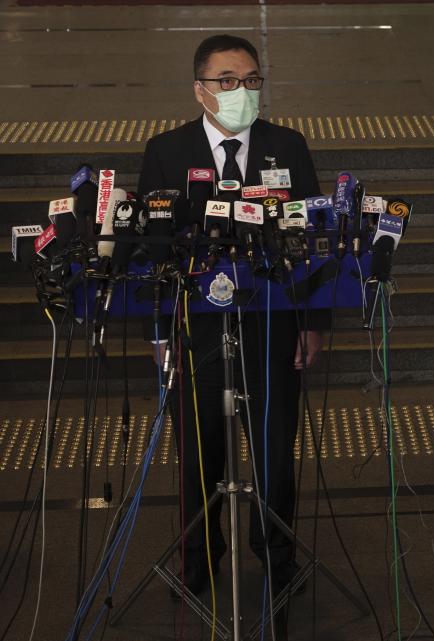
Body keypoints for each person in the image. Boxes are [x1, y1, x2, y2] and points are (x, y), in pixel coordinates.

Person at [137, 34, 325, 596]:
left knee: (273, 453)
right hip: (195, 331)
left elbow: (311, 241)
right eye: (227, 81)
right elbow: (151, 252)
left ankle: (276, 555)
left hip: (272, 326)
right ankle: (201, 561)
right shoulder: (165, 153)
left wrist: (315, 322)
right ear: (200, 90)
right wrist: (158, 334)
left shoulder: (287, 147)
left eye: (251, 80)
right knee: (200, 456)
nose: (241, 91)